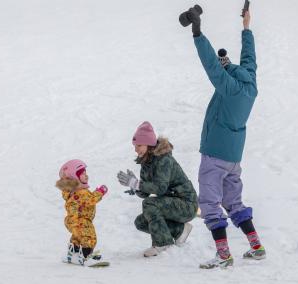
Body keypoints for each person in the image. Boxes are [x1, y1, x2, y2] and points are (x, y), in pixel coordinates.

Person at [180, 5, 266, 268]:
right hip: (233, 157)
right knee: (233, 201)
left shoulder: (228, 87)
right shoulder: (249, 83)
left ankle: (224, 254)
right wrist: (246, 27)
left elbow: (210, 65)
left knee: (209, 203)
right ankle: (256, 246)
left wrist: (197, 32)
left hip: (215, 154)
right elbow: (249, 58)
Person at [117, 121, 198, 257]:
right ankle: (180, 230)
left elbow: (160, 188)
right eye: (135, 146)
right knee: (141, 222)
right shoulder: (146, 162)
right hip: (171, 203)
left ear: (149, 144)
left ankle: (162, 243)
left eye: (139, 145)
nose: (136, 149)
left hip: (186, 204)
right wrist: (134, 185)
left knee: (149, 204)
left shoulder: (164, 160)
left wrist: (137, 183)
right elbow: (145, 193)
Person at [56, 159, 108, 266]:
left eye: (85, 173)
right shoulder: (81, 192)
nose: (86, 175)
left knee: (77, 236)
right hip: (82, 221)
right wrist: (101, 191)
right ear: (74, 177)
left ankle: (73, 252)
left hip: (72, 220)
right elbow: (92, 199)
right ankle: (86, 256)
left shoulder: (71, 192)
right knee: (89, 236)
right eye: (82, 174)